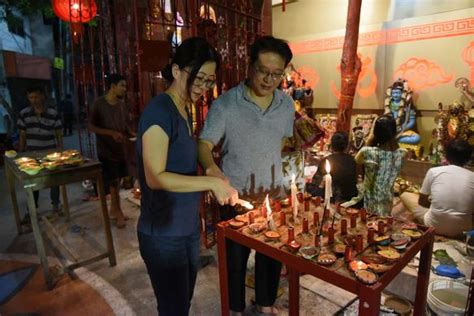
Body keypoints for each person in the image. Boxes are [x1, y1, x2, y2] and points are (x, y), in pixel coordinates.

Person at [136, 37, 238, 316]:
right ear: (177, 70)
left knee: (182, 302)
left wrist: (212, 169)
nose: (203, 87)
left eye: (208, 80)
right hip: (163, 234)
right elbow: (155, 176)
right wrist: (210, 183)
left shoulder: (184, 109)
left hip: (186, 228)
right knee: (173, 308)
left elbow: (184, 158)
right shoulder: (159, 112)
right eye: (198, 78)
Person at [198, 36, 294, 316]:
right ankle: (236, 310)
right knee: (235, 262)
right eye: (263, 71)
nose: (268, 79)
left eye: (276, 74)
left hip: (274, 195)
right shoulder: (226, 105)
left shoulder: (286, 105)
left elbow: (282, 144)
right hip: (235, 197)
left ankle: (265, 305)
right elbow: (203, 145)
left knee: (271, 258)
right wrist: (213, 170)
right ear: (250, 66)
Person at [400, 139, 473, 238]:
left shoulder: (434, 171)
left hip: (434, 225)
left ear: (446, 156)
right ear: (468, 158)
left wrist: (438, 204)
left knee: (405, 195)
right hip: (463, 229)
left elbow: (422, 202)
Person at [89, 74, 131, 228]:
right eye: (122, 85)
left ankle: (114, 210)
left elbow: (125, 126)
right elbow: (91, 127)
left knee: (118, 181)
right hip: (105, 150)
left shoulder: (121, 105)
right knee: (113, 182)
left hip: (120, 149)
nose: (125, 89)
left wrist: (132, 135)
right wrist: (110, 133)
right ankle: (118, 212)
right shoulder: (99, 104)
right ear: (112, 86)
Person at [17, 86, 63, 212]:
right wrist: (21, 154)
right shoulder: (24, 114)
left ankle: (55, 206)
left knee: (53, 180)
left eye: (36, 97)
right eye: (31, 97)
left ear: (43, 96)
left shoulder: (53, 113)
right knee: (32, 183)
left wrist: (61, 150)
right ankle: (32, 209)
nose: (34, 100)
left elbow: (59, 133)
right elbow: (22, 135)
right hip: (32, 154)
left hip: (51, 153)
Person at [355, 115, 407, 216]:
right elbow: (396, 148)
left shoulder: (366, 152)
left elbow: (358, 160)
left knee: (370, 222)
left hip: (369, 200)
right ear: (394, 133)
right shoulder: (403, 154)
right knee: (384, 220)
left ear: (375, 133)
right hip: (387, 199)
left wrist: (370, 139)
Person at [309, 132, 359, 205]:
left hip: (331, 200)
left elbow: (317, 186)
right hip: (350, 200)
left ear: (331, 145)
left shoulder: (325, 161)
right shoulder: (352, 160)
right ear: (347, 146)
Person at [384, 79, 420, 145]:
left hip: (401, 130)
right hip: (390, 129)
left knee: (416, 138)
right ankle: (393, 139)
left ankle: (394, 140)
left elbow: (412, 121)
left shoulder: (407, 105)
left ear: (402, 93)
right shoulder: (389, 104)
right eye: (393, 93)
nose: (395, 95)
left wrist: (402, 128)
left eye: (397, 93)